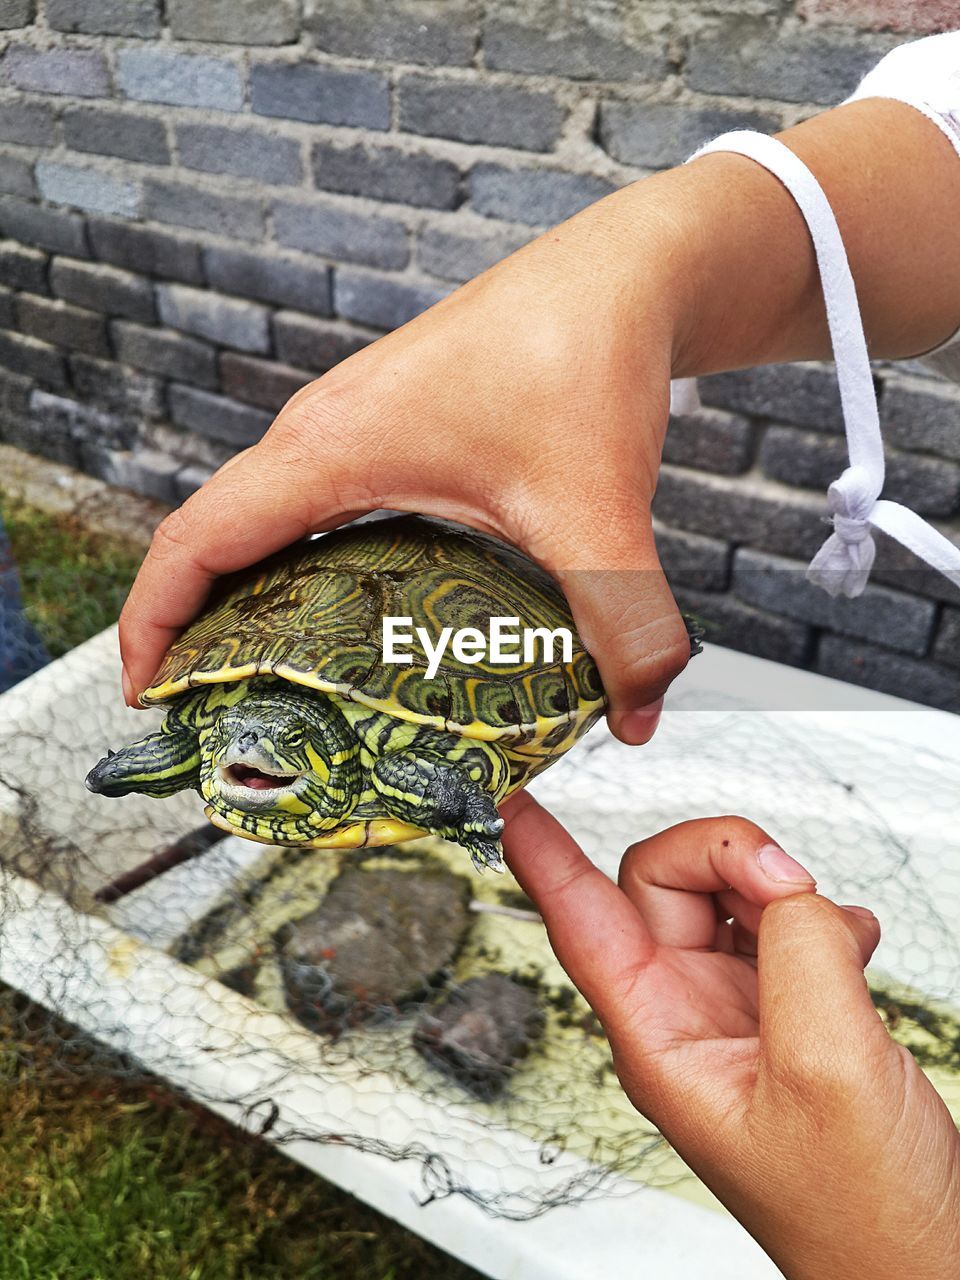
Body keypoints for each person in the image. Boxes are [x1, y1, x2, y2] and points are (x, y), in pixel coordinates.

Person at [116, 32, 960, 1277]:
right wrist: (641, 257)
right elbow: (937, 144)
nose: (234, 752)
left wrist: (891, 1237)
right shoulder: (228, 730)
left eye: (248, 743)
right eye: (237, 743)